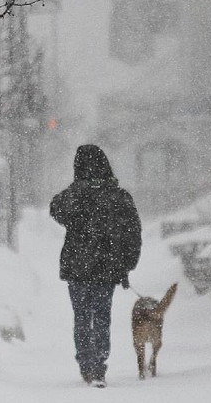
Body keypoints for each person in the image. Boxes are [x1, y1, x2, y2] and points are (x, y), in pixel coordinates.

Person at [50, 144, 142, 388]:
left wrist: (78, 189)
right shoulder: (118, 196)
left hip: (78, 267)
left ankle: (86, 364)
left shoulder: (75, 195)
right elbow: (133, 233)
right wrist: (126, 264)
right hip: (107, 268)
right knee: (102, 315)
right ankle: (99, 365)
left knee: (81, 316)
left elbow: (56, 209)